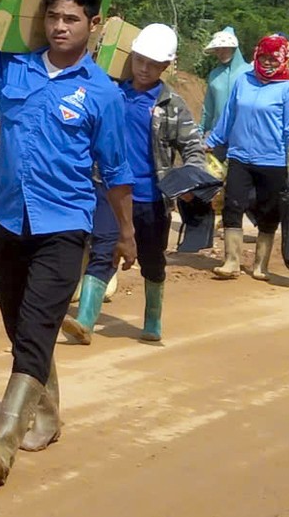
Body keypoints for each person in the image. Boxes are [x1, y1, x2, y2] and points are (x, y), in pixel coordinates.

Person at [0, 0, 133, 485]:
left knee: (33, 330)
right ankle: (46, 414)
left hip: (65, 224)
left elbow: (115, 173)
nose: (60, 26)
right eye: (52, 16)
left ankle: (3, 439)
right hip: (8, 219)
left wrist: (126, 233)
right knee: (20, 329)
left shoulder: (103, 94)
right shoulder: (12, 68)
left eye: (72, 18)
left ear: (93, 25)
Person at [62, 24, 205, 345]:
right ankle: (85, 321)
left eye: (153, 64)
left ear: (165, 66)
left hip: (151, 197)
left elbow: (193, 149)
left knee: (153, 260)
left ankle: (152, 318)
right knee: (103, 251)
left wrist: (191, 179)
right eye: (140, 60)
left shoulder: (173, 106)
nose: (144, 68)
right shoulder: (111, 93)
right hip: (109, 190)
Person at [206, 33, 289, 282]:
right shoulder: (244, 81)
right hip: (240, 156)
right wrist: (211, 142)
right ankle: (231, 261)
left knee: (269, 212)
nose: (268, 62)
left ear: (283, 59)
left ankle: (261, 265)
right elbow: (228, 116)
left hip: (271, 161)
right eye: (263, 57)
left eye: (273, 58)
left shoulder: (287, 89)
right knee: (233, 205)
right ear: (255, 56)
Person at [200, 26, 245, 138]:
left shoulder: (249, 73)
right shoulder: (214, 75)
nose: (221, 53)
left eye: (225, 48)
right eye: (217, 50)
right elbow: (208, 107)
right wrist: (201, 130)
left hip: (243, 137)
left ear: (234, 48)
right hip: (218, 136)